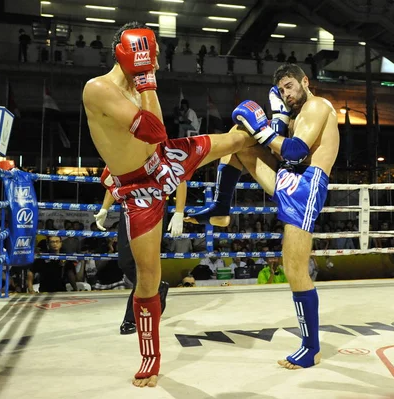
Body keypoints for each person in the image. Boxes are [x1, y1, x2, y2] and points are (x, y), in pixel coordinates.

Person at [82, 21, 255, 388]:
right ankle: (150, 357)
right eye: (152, 56)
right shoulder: (98, 89)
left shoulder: (139, 84)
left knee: (240, 138)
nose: (157, 64)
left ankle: (231, 196)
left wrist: (145, 80)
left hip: (166, 158)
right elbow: (153, 129)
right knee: (148, 277)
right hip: (138, 187)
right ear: (131, 53)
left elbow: (160, 140)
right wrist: (146, 81)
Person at [187, 63, 339, 370]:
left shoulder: (317, 106)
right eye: (281, 89)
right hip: (287, 176)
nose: (286, 93)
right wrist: (275, 123)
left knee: (294, 269)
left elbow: (295, 151)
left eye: (289, 86)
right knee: (237, 133)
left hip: (306, 185)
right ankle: (220, 207)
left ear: (305, 81)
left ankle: (311, 348)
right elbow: (280, 149)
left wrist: (264, 128)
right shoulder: (293, 116)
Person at [94, 170, 186, 334]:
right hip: (129, 206)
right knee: (125, 262)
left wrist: (179, 211)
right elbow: (113, 179)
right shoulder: (123, 151)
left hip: (155, 206)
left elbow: (180, 177)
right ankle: (156, 287)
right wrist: (104, 208)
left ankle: (132, 318)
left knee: (144, 264)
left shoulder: (158, 148)